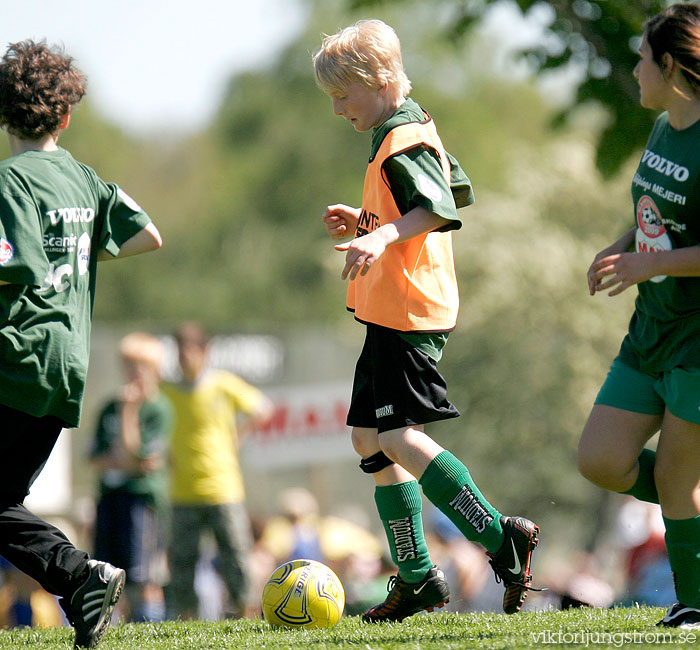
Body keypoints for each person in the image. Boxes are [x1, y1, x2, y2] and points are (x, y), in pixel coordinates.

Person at [312, 19, 540, 623]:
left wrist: (382, 232)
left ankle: (500, 539)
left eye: (343, 96)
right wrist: (367, 224)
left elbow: (437, 209)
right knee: (369, 440)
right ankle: (417, 579)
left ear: (380, 80)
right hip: (391, 308)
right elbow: (452, 188)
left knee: (397, 438)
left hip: (409, 311)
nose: (337, 109)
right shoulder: (404, 126)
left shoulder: (403, 136)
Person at [0, 40, 162, 648]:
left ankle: (79, 574)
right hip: (65, 364)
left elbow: (7, 265)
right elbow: (148, 235)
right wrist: (74, 250)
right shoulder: (83, 179)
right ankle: (83, 585)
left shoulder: (9, 181)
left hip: (14, 356)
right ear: (66, 116)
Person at [578, 2, 700, 629]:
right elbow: (655, 208)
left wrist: (651, 266)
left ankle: (694, 604)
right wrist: (623, 245)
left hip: (697, 342)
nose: (635, 67)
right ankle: (692, 506)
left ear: (671, 65)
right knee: (600, 458)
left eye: (644, 58)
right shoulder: (661, 129)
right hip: (651, 329)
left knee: (680, 479)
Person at [162, 322, 274, 620]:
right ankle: (186, 617)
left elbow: (263, 408)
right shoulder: (167, 391)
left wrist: (238, 435)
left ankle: (244, 613)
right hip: (183, 490)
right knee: (183, 560)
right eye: (179, 351)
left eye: (190, 350)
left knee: (235, 554)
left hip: (223, 487)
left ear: (205, 351)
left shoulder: (222, 384)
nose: (184, 358)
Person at [90, 332, 172, 622]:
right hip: (110, 497)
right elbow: (96, 458)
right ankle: (111, 626)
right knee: (105, 570)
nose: (134, 373)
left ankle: (148, 625)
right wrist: (124, 461)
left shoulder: (157, 409)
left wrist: (130, 412)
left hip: (141, 500)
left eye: (141, 366)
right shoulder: (108, 407)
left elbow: (139, 457)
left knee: (142, 574)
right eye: (128, 365)